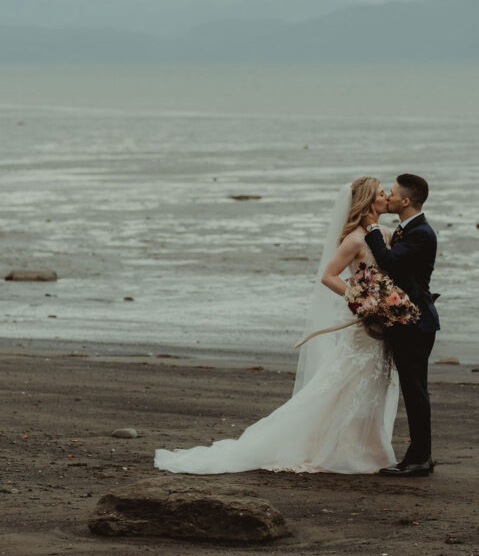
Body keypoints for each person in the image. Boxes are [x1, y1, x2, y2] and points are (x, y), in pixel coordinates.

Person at [154, 176, 400, 474]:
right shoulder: (354, 240)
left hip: (383, 322)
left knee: (375, 384)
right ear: (367, 202)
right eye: (381, 192)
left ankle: (370, 449)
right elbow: (329, 275)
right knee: (347, 383)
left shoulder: (386, 233)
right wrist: (360, 299)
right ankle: (330, 447)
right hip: (362, 323)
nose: (387, 196)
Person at [363, 173, 439, 477]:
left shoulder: (422, 233)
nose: (389, 197)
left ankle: (420, 458)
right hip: (408, 321)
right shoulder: (407, 229)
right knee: (414, 389)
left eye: (392, 193)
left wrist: (370, 229)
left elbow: (390, 261)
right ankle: (421, 455)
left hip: (416, 323)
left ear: (406, 201)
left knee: (415, 390)